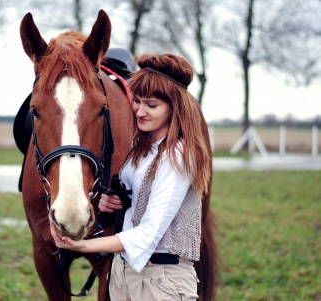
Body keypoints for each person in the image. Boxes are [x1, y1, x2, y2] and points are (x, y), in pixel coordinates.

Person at [50, 53, 211, 301]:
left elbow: (149, 232)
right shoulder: (142, 149)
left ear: (175, 107)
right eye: (136, 101)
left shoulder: (178, 156)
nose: (140, 111)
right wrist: (113, 205)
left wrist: (82, 246)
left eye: (152, 105)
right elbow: (137, 205)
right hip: (124, 273)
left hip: (161, 280)